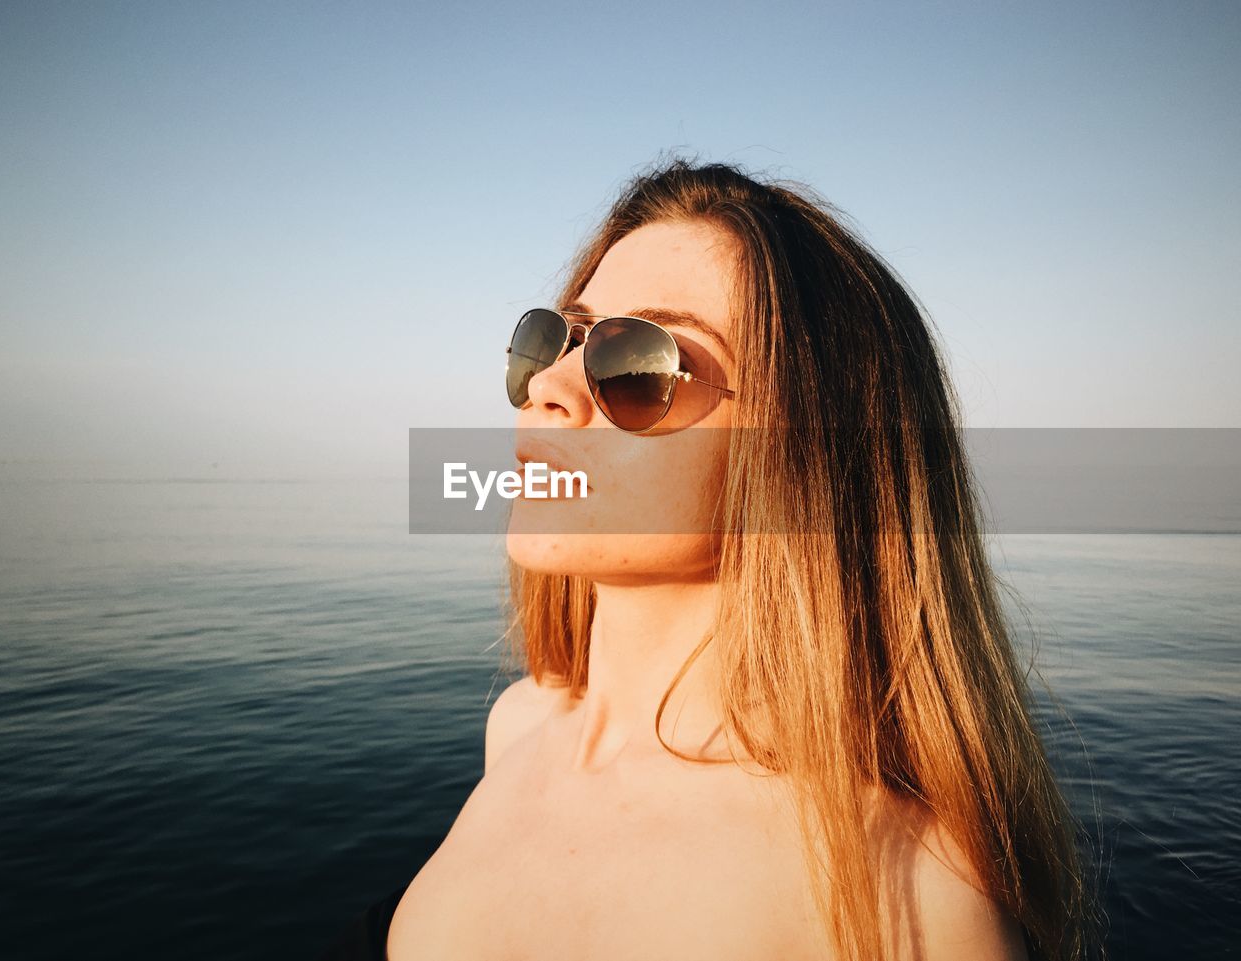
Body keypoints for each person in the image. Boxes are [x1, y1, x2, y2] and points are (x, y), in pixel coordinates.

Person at [375, 158, 1096, 960]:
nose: (550, 383)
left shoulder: (906, 899)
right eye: (556, 338)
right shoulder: (518, 726)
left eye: (636, 362)